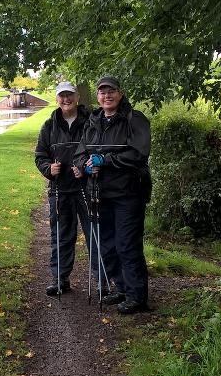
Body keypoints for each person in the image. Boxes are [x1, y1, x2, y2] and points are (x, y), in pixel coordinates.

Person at [73, 76, 152, 314]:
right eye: (102, 92)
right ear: (98, 96)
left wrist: (105, 160)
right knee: (108, 244)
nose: (106, 96)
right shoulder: (93, 121)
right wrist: (86, 166)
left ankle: (137, 296)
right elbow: (80, 154)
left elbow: (139, 154)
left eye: (111, 92)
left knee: (127, 244)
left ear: (120, 93)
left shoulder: (134, 119)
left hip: (128, 193)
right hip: (100, 193)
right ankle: (121, 288)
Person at [34, 81, 95, 296]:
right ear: (57, 99)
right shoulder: (49, 126)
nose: (66, 99)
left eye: (70, 95)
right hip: (59, 189)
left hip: (87, 188)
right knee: (61, 235)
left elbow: (97, 150)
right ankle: (60, 279)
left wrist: (84, 168)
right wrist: (49, 169)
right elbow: (40, 155)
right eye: (62, 96)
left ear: (77, 97)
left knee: (95, 234)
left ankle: (102, 280)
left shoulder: (91, 122)